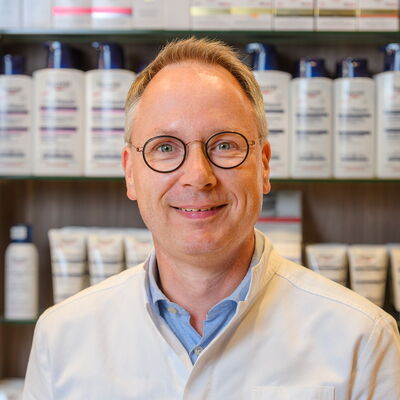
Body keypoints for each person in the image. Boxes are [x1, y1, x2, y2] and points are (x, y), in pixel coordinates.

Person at [23, 38, 400, 399]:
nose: (198, 176)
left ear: (264, 165)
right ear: (131, 173)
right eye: (165, 147)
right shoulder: (61, 338)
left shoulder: (362, 338)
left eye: (224, 145)